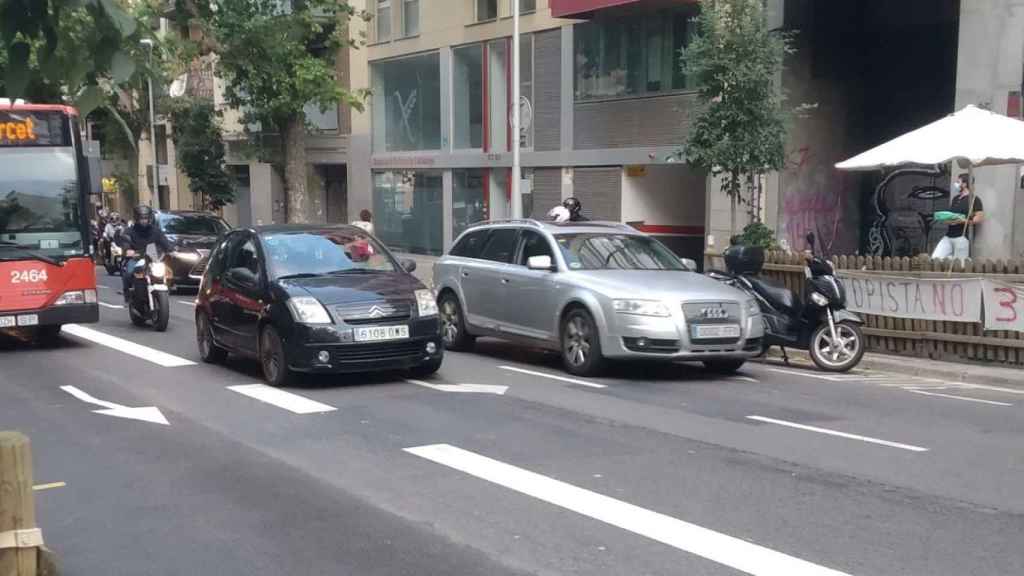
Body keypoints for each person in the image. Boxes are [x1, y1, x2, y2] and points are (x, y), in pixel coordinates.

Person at [117, 205, 174, 300]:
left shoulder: (155, 231)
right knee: (128, 272)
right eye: (141, 218)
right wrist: (127, 250)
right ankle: (128, 294)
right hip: (136, 258)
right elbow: (125, 242)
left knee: (167, 271)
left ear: (149, 218)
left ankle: (168, 287)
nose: (144, 221)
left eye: (146, 218)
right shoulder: (129, 231)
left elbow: (164, 241)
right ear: (136, 218)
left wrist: (171, 250)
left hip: (153, 258)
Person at [931, 174, 984, 260]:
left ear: (965, 184)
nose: (956, 184)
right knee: (935, 258)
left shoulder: (974, 199)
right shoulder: (955, 199)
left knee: (959, 263)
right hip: (949, 235)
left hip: (962, 237)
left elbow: (979, 218)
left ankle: (967, 261)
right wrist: (945, 219)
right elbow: (951, 215)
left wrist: (962, 221)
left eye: (958, 182)